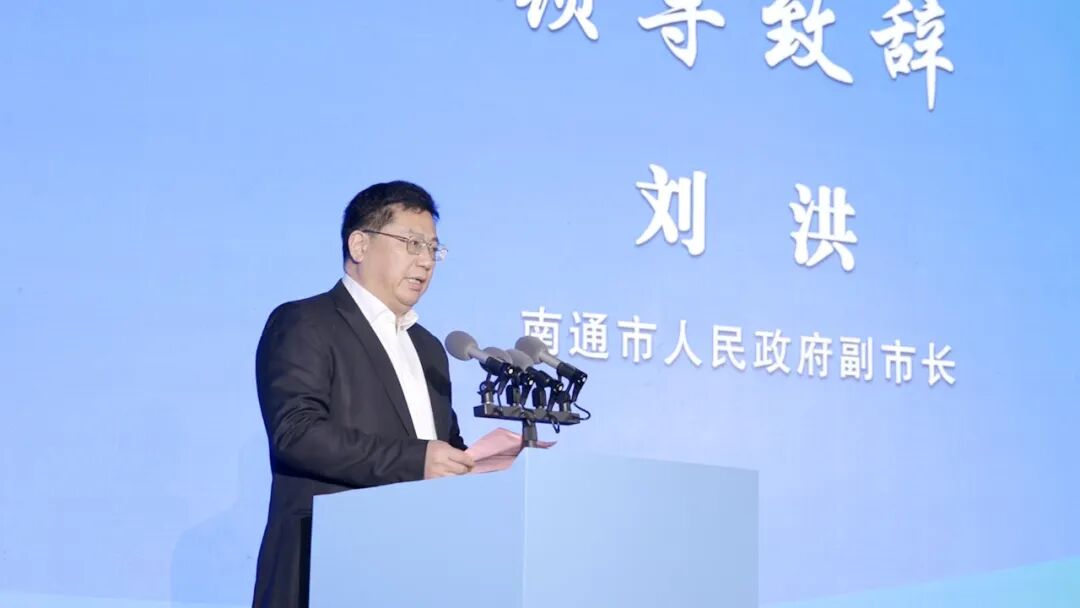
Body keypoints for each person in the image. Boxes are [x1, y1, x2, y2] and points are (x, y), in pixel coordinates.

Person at [251, 181, 475, 608]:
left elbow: (442, 447)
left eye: (433, 248)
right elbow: (296, 434)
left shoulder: (428, 348)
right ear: (359, 245)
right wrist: (417, 460)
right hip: (324, 569)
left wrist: (478, 466)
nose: (426, 261)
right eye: (412, 243)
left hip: (415, 569)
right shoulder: (305, 322)